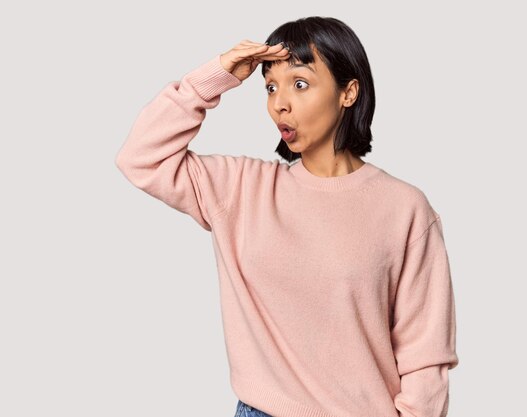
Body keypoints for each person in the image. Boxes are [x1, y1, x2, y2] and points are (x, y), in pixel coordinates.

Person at [115, 16, 459, 417]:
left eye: (300, 84)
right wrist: (217, 76)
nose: (280, 103)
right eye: (270, 87)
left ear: (348, 92)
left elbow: (425, 354)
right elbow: (140, 157)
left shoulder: (405, 209)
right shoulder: (241, 189)